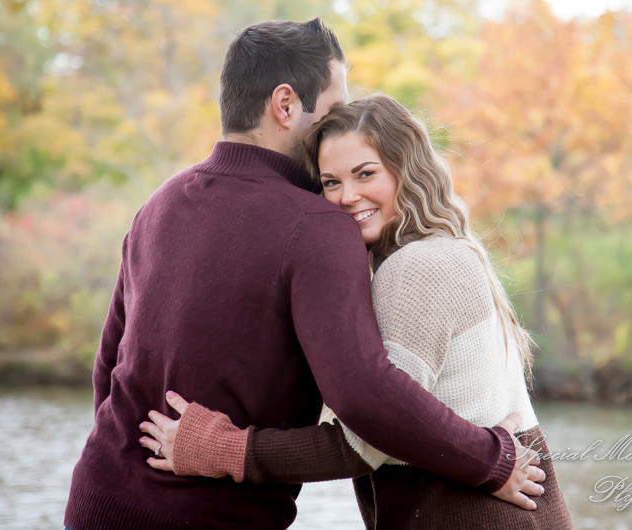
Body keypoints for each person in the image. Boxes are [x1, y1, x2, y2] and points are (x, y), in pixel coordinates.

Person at [64, 20, 542, 530]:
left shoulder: (159, 203)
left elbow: (109, 365)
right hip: (209, 518)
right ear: (286, 104)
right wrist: (489, 459)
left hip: (95, 500)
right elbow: (365, 397)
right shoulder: (317, 225)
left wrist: (127, 469)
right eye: (334, 109)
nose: (340, 125)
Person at [139, 94, 573, 529]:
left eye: (366, 174)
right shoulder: (445, 250)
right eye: (331, 182)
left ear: (407, 170)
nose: (347, 196)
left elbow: (366, 443)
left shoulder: (416, 267)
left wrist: (220, 448)